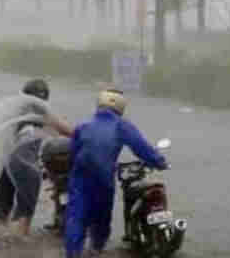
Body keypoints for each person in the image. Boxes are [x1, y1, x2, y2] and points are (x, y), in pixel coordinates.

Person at [64, 87, 167, 258]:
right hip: (103, 179)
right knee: (102, 219)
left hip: (80, 178)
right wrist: (160, 162)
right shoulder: (122, 126)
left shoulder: (83, 127)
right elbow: (142, 148)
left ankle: (73, 254)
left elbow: (73, 153)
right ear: (121, 107)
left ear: (99, 104)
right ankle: (95, 251)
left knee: (76, 218)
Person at [0, 78, 73, 236]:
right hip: (24, 166)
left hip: (3, 164)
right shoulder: (40, 112)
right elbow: (68, 131)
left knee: (1, 209)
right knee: (24, 213)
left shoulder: (13, 112)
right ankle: (18, 248)